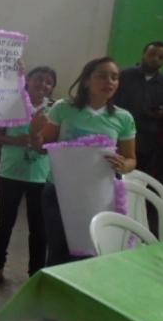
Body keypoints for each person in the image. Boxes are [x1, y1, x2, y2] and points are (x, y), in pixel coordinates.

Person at [30, 57, 136, 266]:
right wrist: (35, 133)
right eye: (102, 76)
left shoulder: (123, 118)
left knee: (88, 253)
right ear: (87, 80)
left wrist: (124, 165)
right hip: (59, 192)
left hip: (98, 197)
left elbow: (131, 160)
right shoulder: (63, 108)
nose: (110, 82)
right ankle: (52, 295)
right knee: (58, 251)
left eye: (114, 77)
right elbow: (43, 149)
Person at [0, 67, 57, 284]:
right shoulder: (13, 104)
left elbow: (56, 141)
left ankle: (35, 274)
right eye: (38, 79)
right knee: (5, 221)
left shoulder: (54, 110)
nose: (43, 85)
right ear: (28, 80)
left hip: (40, 175)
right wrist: (15, 140)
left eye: (49, 82)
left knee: (38, 226)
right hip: (11, 171)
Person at [114, 41, 163, 182]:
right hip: (118, 138)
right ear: (144, 54)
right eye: (152, 54)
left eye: (161, 57)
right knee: (113, 179)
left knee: (136, 185)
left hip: (145, 144)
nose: (155, 59)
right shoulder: (124, 76)